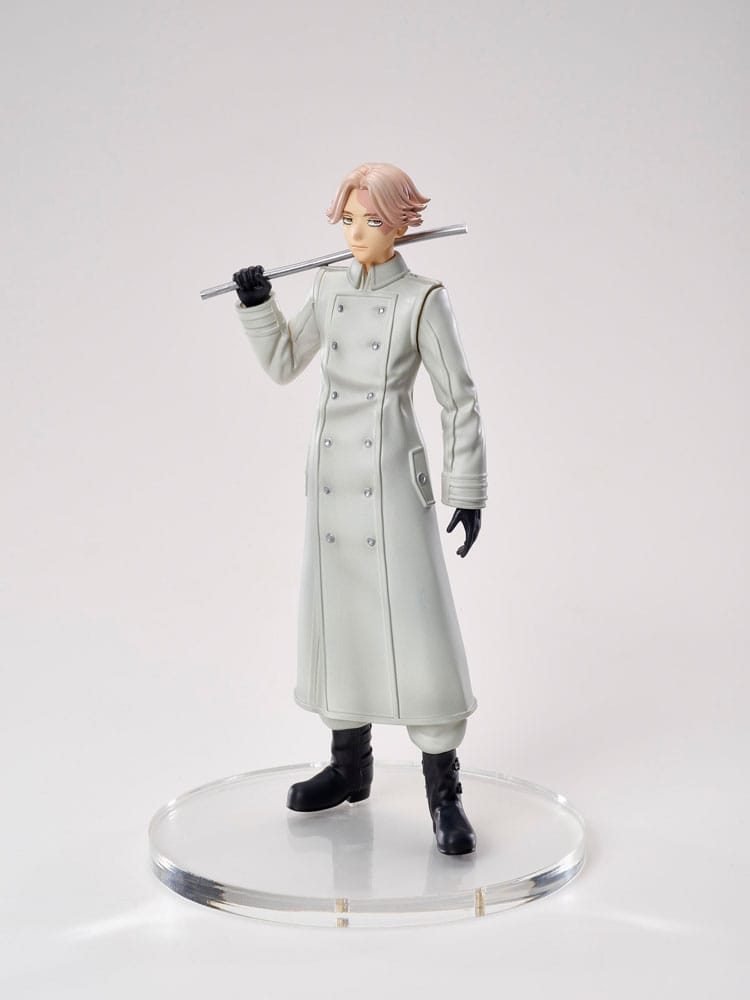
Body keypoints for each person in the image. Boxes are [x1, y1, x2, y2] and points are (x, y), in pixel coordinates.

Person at [233, 163, 487, 855]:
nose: (355, 234)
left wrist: (466, 488)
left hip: (391, 481)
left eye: (371, 221)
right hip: (332, 484)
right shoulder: (329, 286)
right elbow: (285, 362)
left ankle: (444, 791)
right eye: (347, 220)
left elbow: (458, 398)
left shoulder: (423, 299)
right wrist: (258, 305)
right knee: (339, 621)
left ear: (401, 224)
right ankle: (350, 767)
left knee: (417, 627)